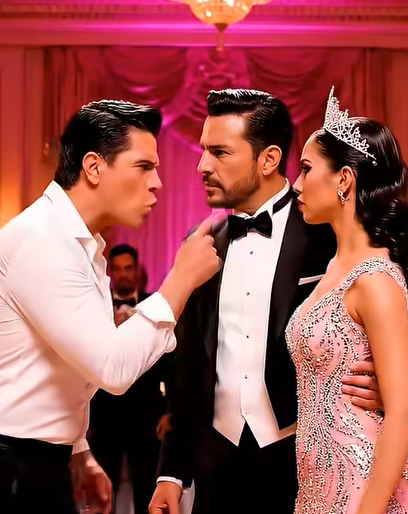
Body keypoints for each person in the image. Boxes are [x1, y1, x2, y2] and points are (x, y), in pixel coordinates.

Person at [149, 89, 382, 514]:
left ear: (269, 159)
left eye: (220, 152)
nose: (202, 165)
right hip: (215, 469)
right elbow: (187, 369)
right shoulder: (200, 246)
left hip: (306, 465)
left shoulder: (331, 233)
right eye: (204, 150)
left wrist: (393, 387)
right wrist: (171, 474)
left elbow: (392, 309)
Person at [0, 99, 222, 514]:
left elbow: (56, 366)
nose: (158, 183)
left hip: (37, 460)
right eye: (144, 166)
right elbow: (112, 369)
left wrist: (77, 450)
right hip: (13, 466)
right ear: (94, 167)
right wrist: (181, 279)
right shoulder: (43, 241)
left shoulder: (79, 245)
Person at [286, 87, 408, 513]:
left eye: (306, 169)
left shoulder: (376, 281)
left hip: (362, 484)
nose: (296, 184)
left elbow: (401, 412)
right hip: (316, 485)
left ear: (343, 179)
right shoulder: (332, 267)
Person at [89, 243, 171, 514]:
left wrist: (168, 410)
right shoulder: (95, 307)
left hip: (146, 416)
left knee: (146, 491)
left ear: (137, 270)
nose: (123, 274)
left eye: (128, 268)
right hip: (103, 414)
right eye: (118, 269)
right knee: (102, 494)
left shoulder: (154, 306)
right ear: (111, 272)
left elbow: (168, 360)